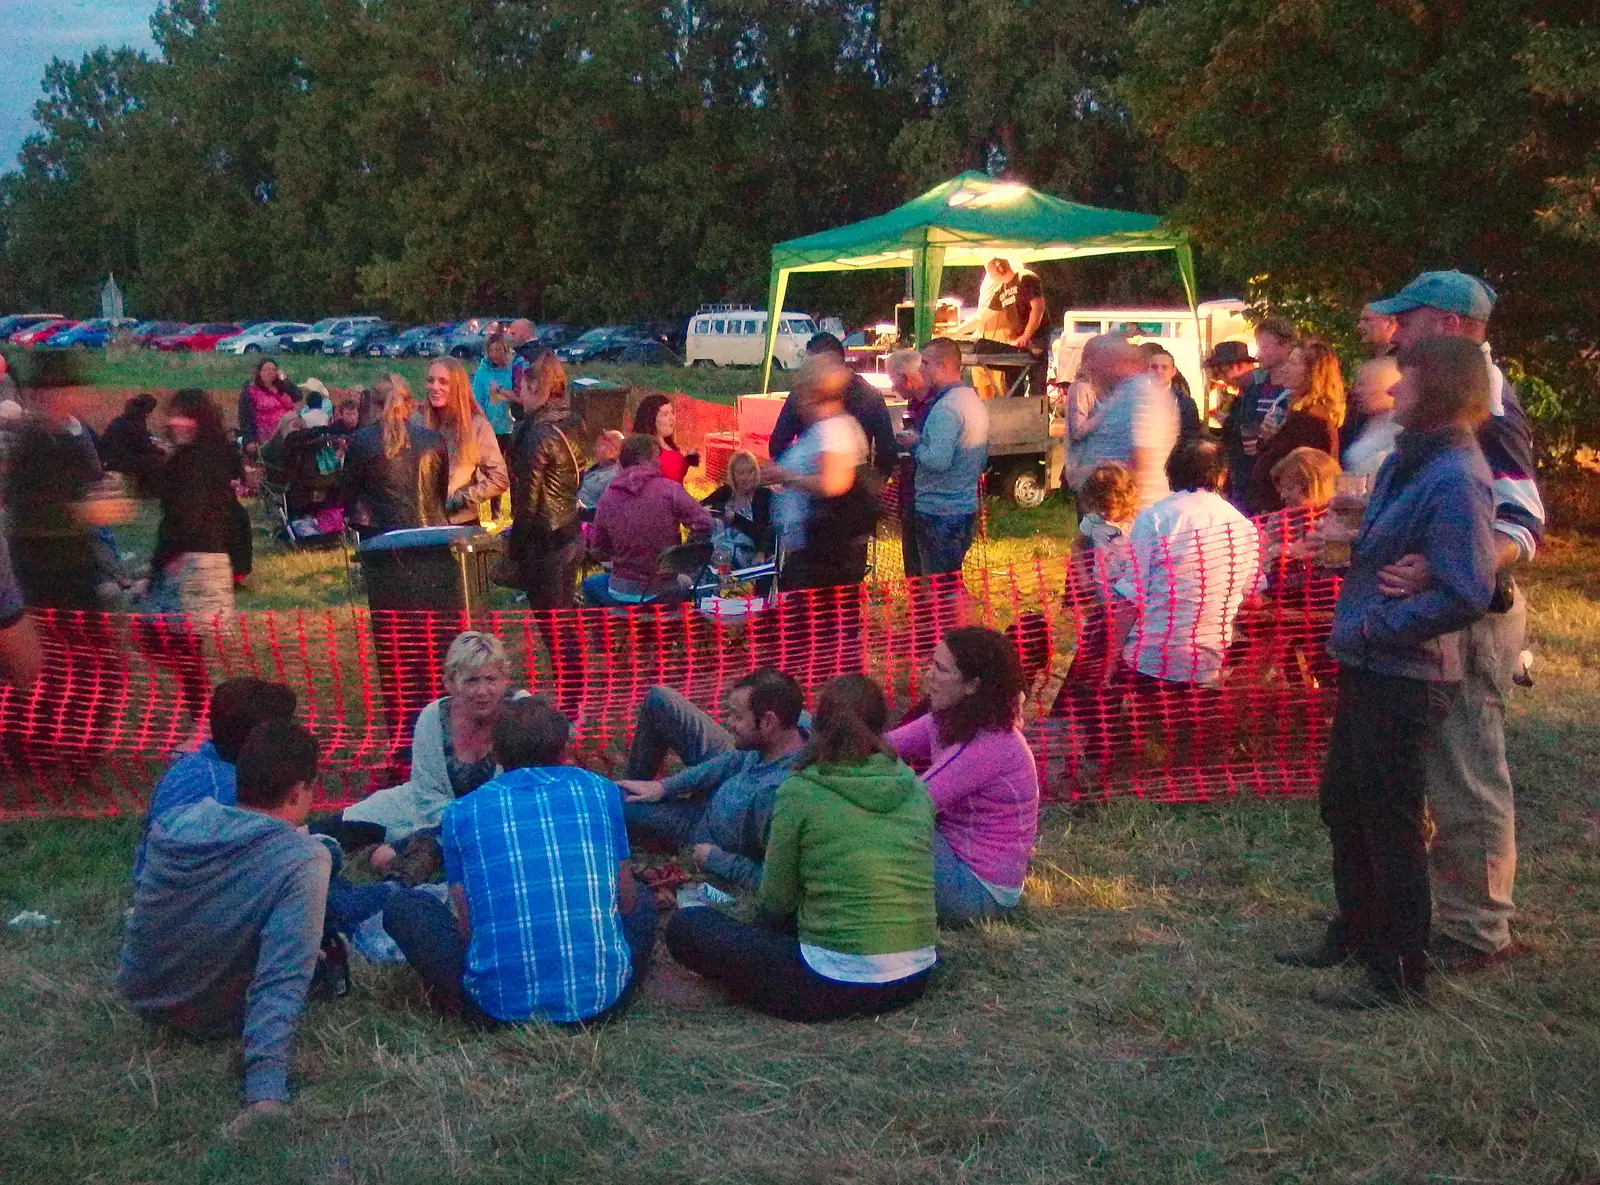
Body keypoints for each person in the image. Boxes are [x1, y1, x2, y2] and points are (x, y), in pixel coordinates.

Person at [1277, 335, 1498, 1009]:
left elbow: (1467, 589)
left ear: (1439, 390)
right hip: (1371, 661)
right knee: (1346, 804)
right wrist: (1358, 528)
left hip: (1406, 672)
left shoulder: (1458, 475)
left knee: (1391, 820)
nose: (1394, 391)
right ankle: (1356, 930)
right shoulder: (1414, 462)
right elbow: (1409, 541)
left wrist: (1379, 624)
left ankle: (1398, 969)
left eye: (1407, 380)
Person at [1366, 270, 1545, 971]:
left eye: (1404, 319)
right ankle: (1464, 917)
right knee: (1451, 765)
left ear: (1442, 322)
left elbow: (1523, 522)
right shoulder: (1452, 396)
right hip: (1446, 607)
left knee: (1467, 766)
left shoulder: (1485, 405)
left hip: (1470, 612)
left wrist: (1452, 569)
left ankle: (1477, 933)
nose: (1393, 331)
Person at [664, 674, 937, 1022]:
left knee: (687, 927)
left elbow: (776, 901)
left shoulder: (800, 791)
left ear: (817, 725)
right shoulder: (914, 788)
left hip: (835, 981)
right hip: (916, 974)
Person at [382, 696, 656, 1027]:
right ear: (562, 750)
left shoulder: (461, 813)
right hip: (603, 1005)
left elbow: (469, 930)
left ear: (497, 754)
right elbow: (625, 903)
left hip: (496, 1012)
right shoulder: (601, 792)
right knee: (642, 898)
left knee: (403, 907)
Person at [119, 721, 331, 1133]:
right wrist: (265, 1092)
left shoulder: (176, 823)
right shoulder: (304, 860)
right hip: (210, 1015)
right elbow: (282, 976)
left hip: (146, 996)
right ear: (297, 791)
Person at [887, 627, 1038, 923]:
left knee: (871, 828)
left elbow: (908, 806)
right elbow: (882, 746)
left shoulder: (992, 743)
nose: (929, 675)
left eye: (941, 669)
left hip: (979, 892)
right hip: (953, 861)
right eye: (932, 664)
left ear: (972, 686)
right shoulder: (949, 719)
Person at [330, 631, 531, 849]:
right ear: (451, 684)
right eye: (472, 680)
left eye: (491, 679)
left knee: (397, 846)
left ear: (504, 680)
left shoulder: (523, 711)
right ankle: (300, 837)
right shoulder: (433, 716)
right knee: (356, 818)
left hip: (501, 820)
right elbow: (426, 793)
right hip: (433, 811)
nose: (483, 691)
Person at [616, 670, 806, 887]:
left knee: (613, 802)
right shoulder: (794, 728)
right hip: (726, 774)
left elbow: (772, 881)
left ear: (769, 722)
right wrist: (663, 787)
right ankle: (635, 793)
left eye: (738, 716)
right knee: (659, 699)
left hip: (700, 825)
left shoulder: (778, 795)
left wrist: (714, 858)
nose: (729, 722)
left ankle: (623, 821)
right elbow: (733, 759)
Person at [1104, 440, 1261, 694]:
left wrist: (1108, 666)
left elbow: (1130, 600)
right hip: (1208, 665)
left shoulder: (1154, 518)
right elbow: (1253, 597)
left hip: (1150, 661)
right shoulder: (1244, 527)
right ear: (1222, 476)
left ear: (1172, 472)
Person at [137, 390, 247, 717]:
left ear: (200, 420)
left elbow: (185, 517)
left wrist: (161, 565)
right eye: (174, 414)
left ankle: (205, 718)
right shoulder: (212, 455)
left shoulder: (191, 460)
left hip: (190, 561)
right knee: (184, 649)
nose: (176, 422)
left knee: (165, 641)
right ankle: (203, 717)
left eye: (185, 415)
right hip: (207, 558)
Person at [131, 677, 299, 879]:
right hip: (196, 896)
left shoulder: (186, 765)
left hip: (152, 886)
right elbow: (269, 859)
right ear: (262, 742)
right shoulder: (237, 791)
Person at [897, 337, 988, 579]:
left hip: (939, 511)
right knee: (950, 584)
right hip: (963, 506)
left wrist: (915, 444)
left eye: (925, 363)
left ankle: (964, 619)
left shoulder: (947, 408)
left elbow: (938, 461)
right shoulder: (972, 401)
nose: (921, 369)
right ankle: (962, 618)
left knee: (942, 591)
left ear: (942, 366)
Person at [586, 435, 714, 605]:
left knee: (589, 585)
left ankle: (610, 630)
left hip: (621, 590)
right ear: (644, 459)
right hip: (664, 590)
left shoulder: (608, 497)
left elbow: (598, 549)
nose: (660, 464)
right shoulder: (670, 490)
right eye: (656, 458)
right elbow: (704, 523)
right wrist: (683, 555)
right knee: (689, 583)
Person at [1064, 334, 1179, 510]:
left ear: (1113, 362)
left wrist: (1115, 513)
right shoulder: (1122, 393)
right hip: (1110, 511)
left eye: (1094, 363)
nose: (1089, 369)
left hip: (1131, 514)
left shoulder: (1142, 395)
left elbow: (1142, 461)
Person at [768, 333, 898, 480]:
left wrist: (792, 475)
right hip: (858, 484)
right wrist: (876, 484)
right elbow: (887, 450)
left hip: (814, 488)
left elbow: (778, 443)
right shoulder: (871, 395)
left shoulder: (804, 393)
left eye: (810, 365)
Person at [339, 375, 448, 536]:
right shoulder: (434, 440)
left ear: (372, 406)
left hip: (377, 534)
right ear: (410, 404)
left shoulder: (361, 441)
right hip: (429, 532)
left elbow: (349, 494)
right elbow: (440, 492)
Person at [1247, 337, 1345, 514]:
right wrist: (1267, 438)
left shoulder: (1311, 421)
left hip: (1294, 516)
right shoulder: (1297, 412)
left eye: (1292, 364)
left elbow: (1306, 474)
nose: (1284, 369)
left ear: (1312, 373)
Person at [1220, 316, 1297, 507]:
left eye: (1264, 347)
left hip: (1279, 487)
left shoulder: (1295, 393)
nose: (1258, 354)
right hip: (1246, 481)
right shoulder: (1255, 388)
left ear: (1286, 346)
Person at [423, 357, 508, 526]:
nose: (435, 387)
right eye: (430, 381)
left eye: (443, 382)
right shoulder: (419, 421)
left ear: (457, 386)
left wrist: (462, 499)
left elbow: (499, 478)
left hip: (459, 524)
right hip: (422, 523)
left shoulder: (477, 426)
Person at [884, 348, 929, 575]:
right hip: (911, 495)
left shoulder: (931, 407)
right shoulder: (915, 404)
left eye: (893, 381)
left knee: (926, 569)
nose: (893, 388)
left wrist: (911, 444)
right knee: (913, 565)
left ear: (906, 379)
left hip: (924, 499)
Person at [701, 448, 773, 567]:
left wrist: (736, 519)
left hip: (748, 552)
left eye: (750, 472)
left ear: (756, 472)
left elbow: (763, 531)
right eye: (740, 473)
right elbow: (701, 507)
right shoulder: (726, 492)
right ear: (733, 475)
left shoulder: (762, 495)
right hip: (716, 552)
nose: (746, 477)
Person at [1342, 356, 1404, 478]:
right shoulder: (1364, 422)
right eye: (1358, 384)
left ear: (1386, 386)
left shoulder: (1400, 429)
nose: (1357, 391)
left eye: (1364, 385)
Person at [98, 393, 165, 495]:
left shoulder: (123, 420)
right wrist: (162, 450)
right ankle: (149, 492)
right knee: (155, 462)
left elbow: (141, 440)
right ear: (147, 411)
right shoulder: (136, 423)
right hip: (118, 461)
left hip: (110, 458)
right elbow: (144, 446)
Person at [631, 393, 697, 485]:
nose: (672, 418)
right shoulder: (646, 453)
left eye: (672, 413)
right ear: (651, 419)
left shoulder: (667, 445)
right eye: (665, 414)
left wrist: (687, 461)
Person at [1142, 343, 1202, 443]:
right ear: (1148, 370)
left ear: (1173, 372)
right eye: (1154, 367)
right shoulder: (1136, 399)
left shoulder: (1186, 404)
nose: (1159, 371)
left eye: (1164, 367)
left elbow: (1191, 440)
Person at [239, 359, 300, 450]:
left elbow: (298, 396)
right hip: (268, 436)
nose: (270, 372)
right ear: (259, 372)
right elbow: (245, 416)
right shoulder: (251, 391)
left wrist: (285, 379)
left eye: (274, 370)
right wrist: (250, 439)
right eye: (267, 369)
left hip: (288, 430)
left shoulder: (282, 387)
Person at [471, 332, 518, 446]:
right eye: (491, 350)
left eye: (498, 350)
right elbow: (478, 400)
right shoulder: (482, 373)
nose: (494, 354)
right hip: (490, 428)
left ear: (506, 350)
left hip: (512, 427)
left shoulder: (514, 369)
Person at [576, 429, 625, 518]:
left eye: (599, 445)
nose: (595, 449)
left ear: (612, 450)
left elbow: (604, 510)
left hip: (583, 524)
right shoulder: (597, 468)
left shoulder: (614, 477)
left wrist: (581, 510)